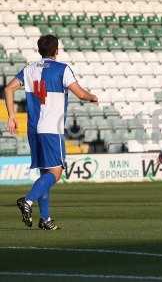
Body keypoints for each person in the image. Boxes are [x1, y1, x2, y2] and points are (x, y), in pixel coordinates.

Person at [4, 35, 98, 230]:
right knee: (56, 172)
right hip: (51, 129)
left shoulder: (29, 69)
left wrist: (12, 116)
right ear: (56, 50)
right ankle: (28, 201)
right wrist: (92, 97)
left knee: (45, 172)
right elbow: (80, 93)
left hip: (33, 129)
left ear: (40, 51)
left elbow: (8, 88)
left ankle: (45, 219)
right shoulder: (62, 69)